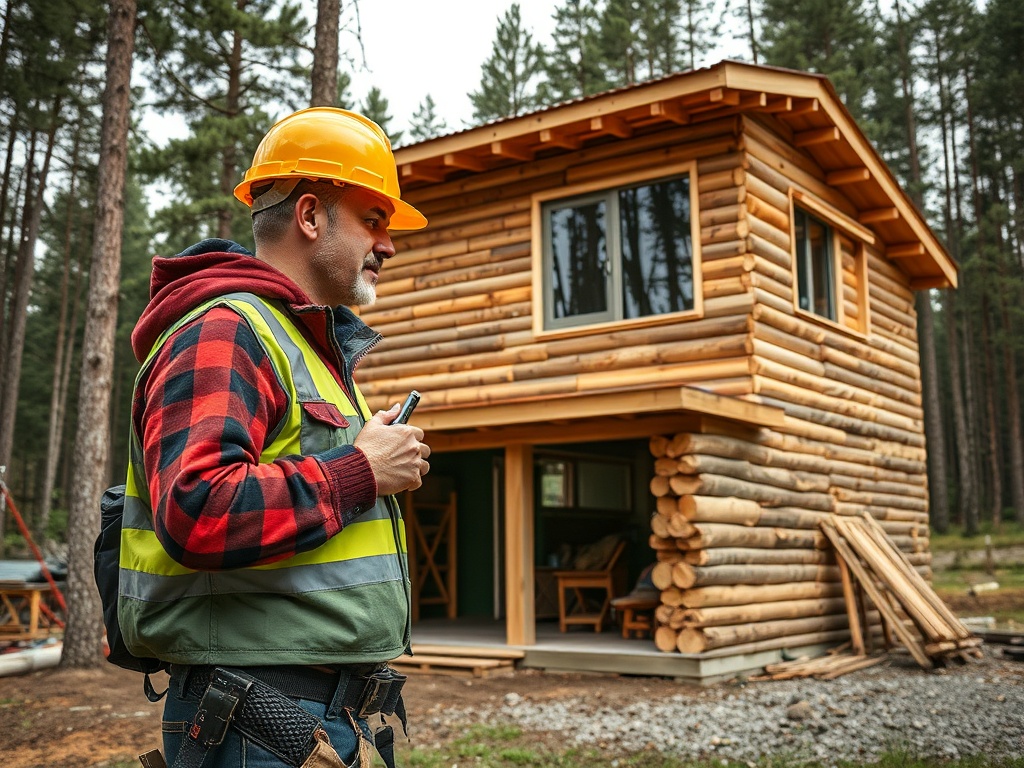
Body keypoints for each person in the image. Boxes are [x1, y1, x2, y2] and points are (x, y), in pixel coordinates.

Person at [120, 107, 431, 768]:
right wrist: (362, 469)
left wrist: (361, 457)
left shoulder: (302, 345)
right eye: (374, 221)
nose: (390, 244)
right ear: (311, 216)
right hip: (259, 722)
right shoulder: (226, 328)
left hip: (308, 717)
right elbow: (198, 508)